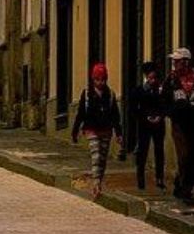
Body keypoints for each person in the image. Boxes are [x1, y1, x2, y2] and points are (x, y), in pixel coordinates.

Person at [70, 62, 122, 200]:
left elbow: (115, 115)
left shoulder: (110, 95)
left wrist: (119, 133)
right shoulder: (87, 94)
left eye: (103, 79)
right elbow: (81, 113)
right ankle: (96, 183)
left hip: (106, 129)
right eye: (98, 79)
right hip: (91, 129)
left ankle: (98, 181)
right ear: (93, 79)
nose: (101, 82)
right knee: (96, 155)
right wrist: (75, 131)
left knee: (103, 159)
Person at [163, 47, 194, 205]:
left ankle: (180, 184)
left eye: (177, 61)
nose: (174, 64)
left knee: (193, 156)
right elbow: (164, 99)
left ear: (186, 62)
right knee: (184, 155)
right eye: (174, 61)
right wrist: (170, 113)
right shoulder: (171, 80)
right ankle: (186, 189)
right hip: (179, 123)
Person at [126, 59, 168, 191]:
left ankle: (160, 178)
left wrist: (160, 117)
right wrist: (145, 118)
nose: (152, 80)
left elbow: (165, 105)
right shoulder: (139, 91)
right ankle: (140, 179)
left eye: (154, 77)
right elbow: (133, 108)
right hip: (144, 125)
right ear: (146, 77)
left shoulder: (160, 90)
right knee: (142, 152)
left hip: (158, 124)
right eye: (150, 77)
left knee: (159, 151)